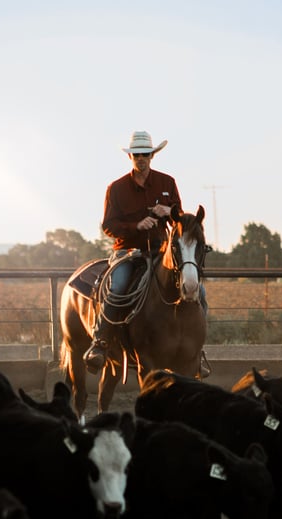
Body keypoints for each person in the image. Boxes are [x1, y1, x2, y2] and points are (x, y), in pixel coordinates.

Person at [83, 130, 184, 373]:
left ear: (152, 155)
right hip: (127, 252)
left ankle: (194, 347)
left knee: (192, 287)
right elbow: (108, 225)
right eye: (137, 154)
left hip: (161, 252)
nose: (142, 158)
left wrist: (168, 212)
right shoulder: (116, 189)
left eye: (146, 154)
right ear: (131, 157)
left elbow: (180, 218)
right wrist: (136, 226)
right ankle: (100, 342)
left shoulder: (167, 183)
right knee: (117, 287)